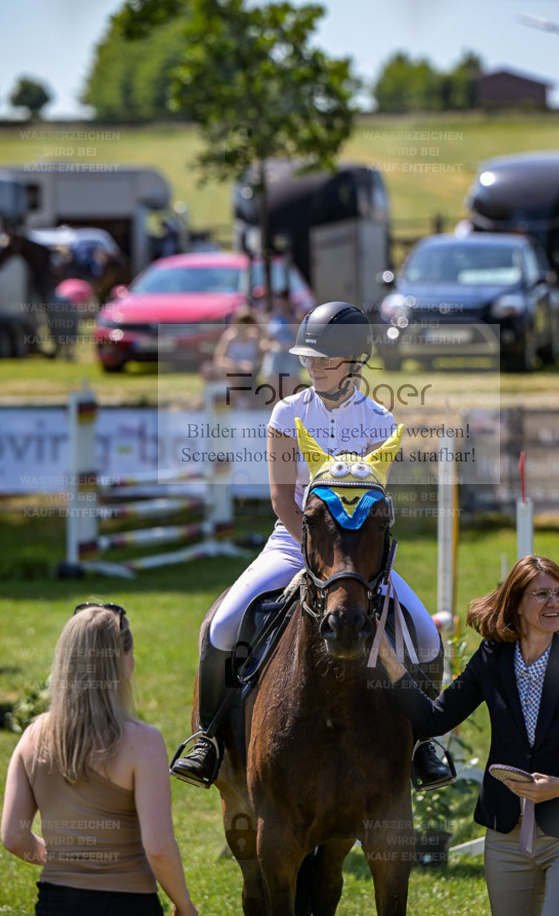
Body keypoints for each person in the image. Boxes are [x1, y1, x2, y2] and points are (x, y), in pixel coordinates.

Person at [171, 301, 450, 790]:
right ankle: (208, 740)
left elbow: (374, 504)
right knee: (220, 625)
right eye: (310, 358)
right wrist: (312, 550)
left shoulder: (380, 422)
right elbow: (281, 495)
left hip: (359, 557)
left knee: (426, 635)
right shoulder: (287, 412)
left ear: (354, 362)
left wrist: (350, 558)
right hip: (293, 542)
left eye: (325, 359)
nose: (314, 366)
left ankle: (425, 746)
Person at [378, 555, 559, 916]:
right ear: (516, 602)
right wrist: (387, 659)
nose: (555, 603)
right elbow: (433, 720)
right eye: (542, 594)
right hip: (506, 836)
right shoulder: (491, 659)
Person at [1, 602, 198, 916]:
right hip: (129, 905)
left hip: (56, 905)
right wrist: (185, 906)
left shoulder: (32, 738)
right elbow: (158, 847)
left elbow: (13, 837)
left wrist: (70, 858)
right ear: (121, 661)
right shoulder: (143, 742)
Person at [200, 305, 263, 408]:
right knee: (208, 368)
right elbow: (219, 357)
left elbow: (260, 357)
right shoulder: (229, 336)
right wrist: (237, 365)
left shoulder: (255, 337)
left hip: (248, 371)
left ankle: (236, 400)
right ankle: (237, 400)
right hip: (231, 368)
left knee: (224, 373)